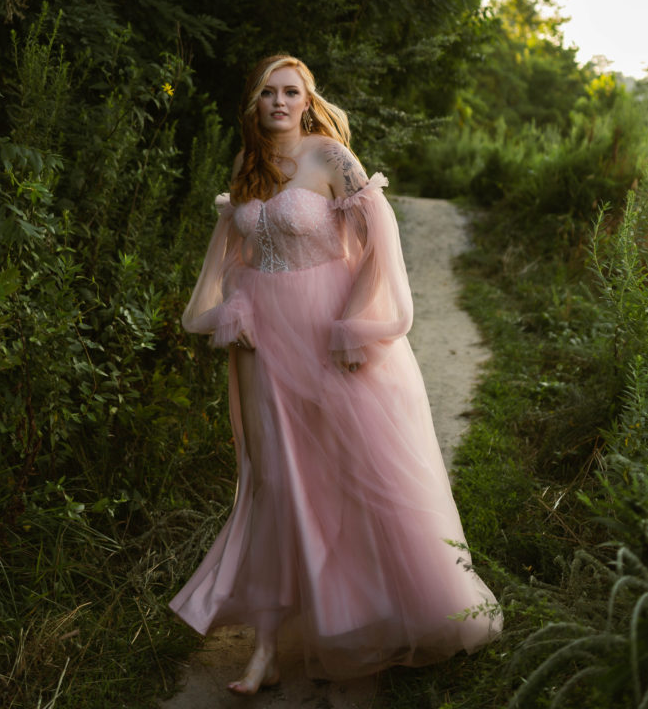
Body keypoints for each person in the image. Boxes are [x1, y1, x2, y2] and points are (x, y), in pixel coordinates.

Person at [169, 53, 502, 695]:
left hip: (324, 335)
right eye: (267, 92)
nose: (279, 102)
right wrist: (236, 302)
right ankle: (264, 648)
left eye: (290, 91)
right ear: (253, 104)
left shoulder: (330, 159)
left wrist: (358, 321)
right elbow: (236, 252)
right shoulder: (247, 166)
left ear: (307, 99)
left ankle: (373, 618)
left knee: (351, 468)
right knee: (271, 481)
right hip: (262, 343)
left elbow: (378, 239)